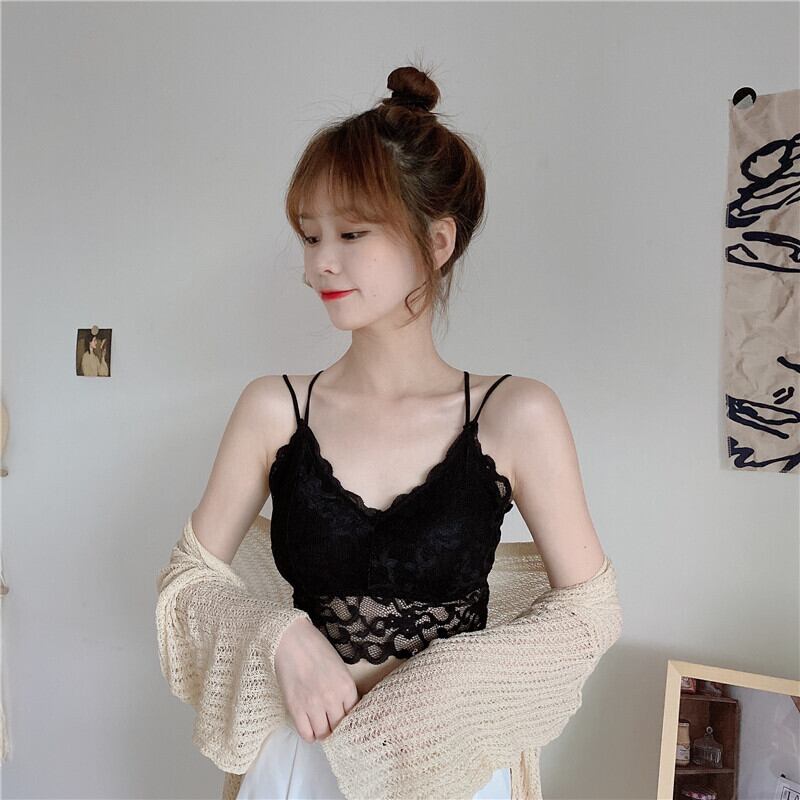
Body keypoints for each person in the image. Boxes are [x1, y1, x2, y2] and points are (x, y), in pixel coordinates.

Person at [189, 62, 608, 800]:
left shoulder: (518, 414)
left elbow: (588, 612)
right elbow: (188, 583)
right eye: (309, 235)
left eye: (351, 233)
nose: (321, 262)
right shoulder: (272, 409)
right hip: (298, 767)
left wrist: (445, 685)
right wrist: (281, 639)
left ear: (437, 241)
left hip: (451, 774)